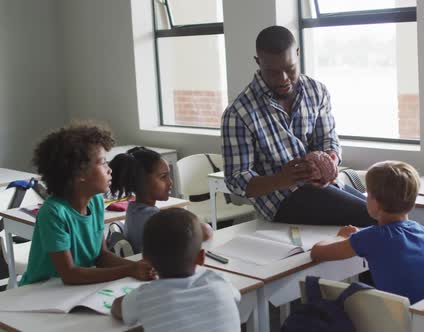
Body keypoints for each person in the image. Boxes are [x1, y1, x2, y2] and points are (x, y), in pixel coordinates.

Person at [221, 25, 374, 226]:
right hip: (281, 199)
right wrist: (282, 179)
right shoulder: (238, 114)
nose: (284, 78)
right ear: (259, 62)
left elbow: (328, 139)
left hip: (325, 185)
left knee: (383, 213)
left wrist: (330, 160)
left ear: (298, 54)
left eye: (290, 68)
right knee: (372, 217)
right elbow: (236, 180)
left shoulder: (316, 91)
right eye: (273, 72)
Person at [19, 123, 154, 286]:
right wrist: (130, 270)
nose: (109, 169)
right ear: (79, 172)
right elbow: (70, 274)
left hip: (74, 289)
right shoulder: (53, 212)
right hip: (39, 292)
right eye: (103, 162)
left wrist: (139, 267)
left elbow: (101, 256)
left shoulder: (96, 201)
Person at [311, 161, 424, 304]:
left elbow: (317, 252)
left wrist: (340, 237)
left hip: (404, 322)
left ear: (375, 202)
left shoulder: (371, 238)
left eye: (368, 194)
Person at [110, 208, 240, 332]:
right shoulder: (220, 281)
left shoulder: (145, 296)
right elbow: (236, 297)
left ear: (145, 259)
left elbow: (117, 307)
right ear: (201, 258)